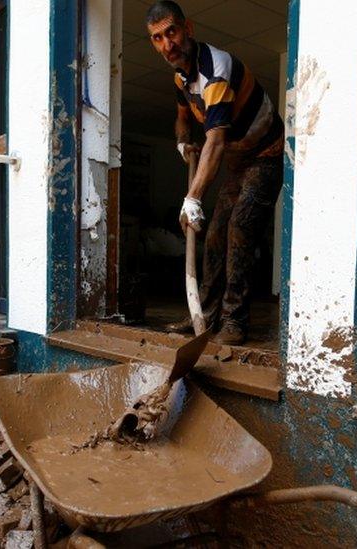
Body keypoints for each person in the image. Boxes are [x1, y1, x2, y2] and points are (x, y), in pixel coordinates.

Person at [145, 1, 283, 345]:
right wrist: (181, 142)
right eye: (157, 38)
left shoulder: (215, 71)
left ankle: (235, 321)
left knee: (239, 229)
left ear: (187, 28)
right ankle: (203, 316)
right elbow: (182, 116)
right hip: (239, 160)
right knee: (217, 232)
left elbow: (216, 142)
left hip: (266, 155)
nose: (167, 44)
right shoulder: (181, 75)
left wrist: (193, 197)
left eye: (171, 32)